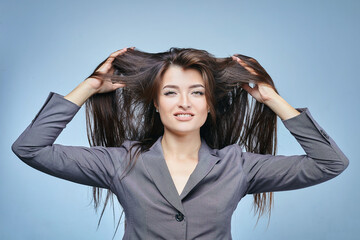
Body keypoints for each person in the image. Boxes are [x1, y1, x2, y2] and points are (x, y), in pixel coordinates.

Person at [11, 47, 349, 239]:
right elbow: (31, 148)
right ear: (156, 104)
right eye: (171, 92)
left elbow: (330, 163)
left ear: (209, 104)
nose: (184, 103)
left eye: (197, 93)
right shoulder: (122, 162)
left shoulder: (238, 166)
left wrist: (271, 99)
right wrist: (89, 86)